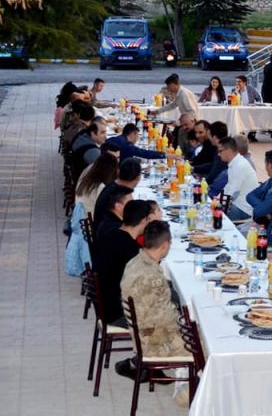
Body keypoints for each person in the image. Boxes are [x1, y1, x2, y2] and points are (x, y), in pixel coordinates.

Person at [120, 220, 190, 408]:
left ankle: (186, 381)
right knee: (207, 346)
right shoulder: (151, 276)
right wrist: (187, 322)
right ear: (165, 245)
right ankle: (190, 394)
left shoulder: (135, 262)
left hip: (144, 335)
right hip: (154, 343)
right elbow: (165, 320)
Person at [92, 200, 152, 326]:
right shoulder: (130, 248)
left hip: (107, 303)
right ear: (143, 221)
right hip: (118, 312)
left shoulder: (111, 234)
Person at [94, 158, 142, 231]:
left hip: (101, 230)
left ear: (118, 172)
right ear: (138, 178)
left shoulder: (111, 186)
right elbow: (133, 221)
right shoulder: (122, 195)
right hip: (110, 234)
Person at [217, 137, 257, 221]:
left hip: (243, 209)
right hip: (236, 205)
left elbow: (233, 192)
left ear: (228, 151)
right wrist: (216, 199)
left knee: (212, 214)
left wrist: (216, 203)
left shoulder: (239, 165)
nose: (218, 154)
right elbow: (228, 187)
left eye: (220, 151)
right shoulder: (235, 163)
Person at [75, 152, 119, 220]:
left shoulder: (87, 180)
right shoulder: (100, 187)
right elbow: (108, 210)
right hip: (92, 221)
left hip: (82, 218)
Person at [107, 123, 178, 162]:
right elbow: (146, 154)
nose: (137, 138)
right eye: (137, 135)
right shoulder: (127, 146)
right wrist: (166, 155)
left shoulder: (114, 139)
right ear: (133, 134)